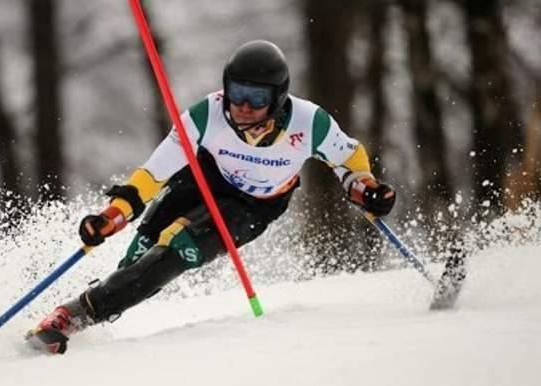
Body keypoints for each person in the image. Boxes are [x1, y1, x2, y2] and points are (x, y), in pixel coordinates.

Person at [26, 40, 396, 353]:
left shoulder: (309, 122)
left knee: (175, 249)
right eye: (236, 92)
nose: (243, 106)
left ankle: (68, 317)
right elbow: (154, 173)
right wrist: (113, 215)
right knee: (139, 257)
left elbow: (348, 159)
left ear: (278, 97)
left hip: (256, 204)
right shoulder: (206, 115)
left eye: (256, 96)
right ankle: (75, 322)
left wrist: (365, 189)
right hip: (203, 179)